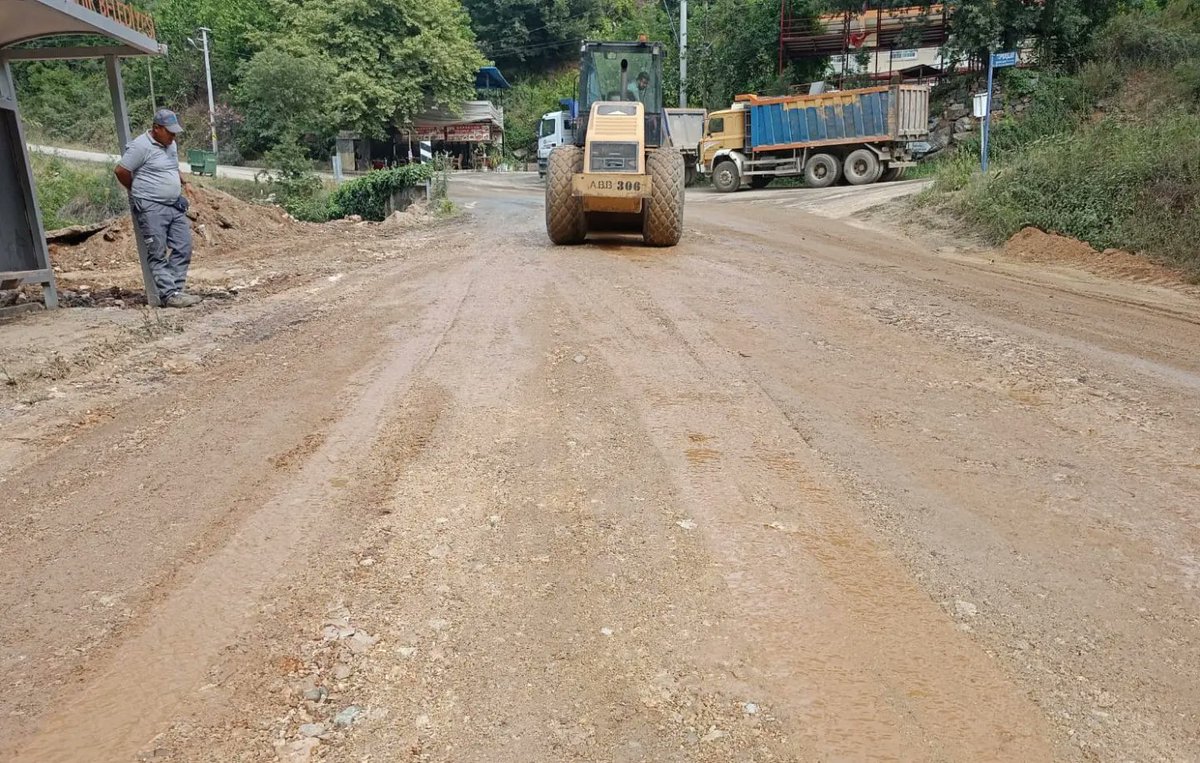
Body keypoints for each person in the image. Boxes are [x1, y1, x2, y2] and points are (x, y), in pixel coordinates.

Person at [114, 109, 200, 308]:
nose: (173, 136)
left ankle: (177, 291)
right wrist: (136, 190)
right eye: (169, 132)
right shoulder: (141, 146)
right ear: (156, 128)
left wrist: (180, 184)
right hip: (151, 207)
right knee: (157, 251)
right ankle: (169, 294)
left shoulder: (171, 145)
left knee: (183, 246)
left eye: (174, 132)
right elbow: (121, 170)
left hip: (173, 205)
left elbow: (172, 166)